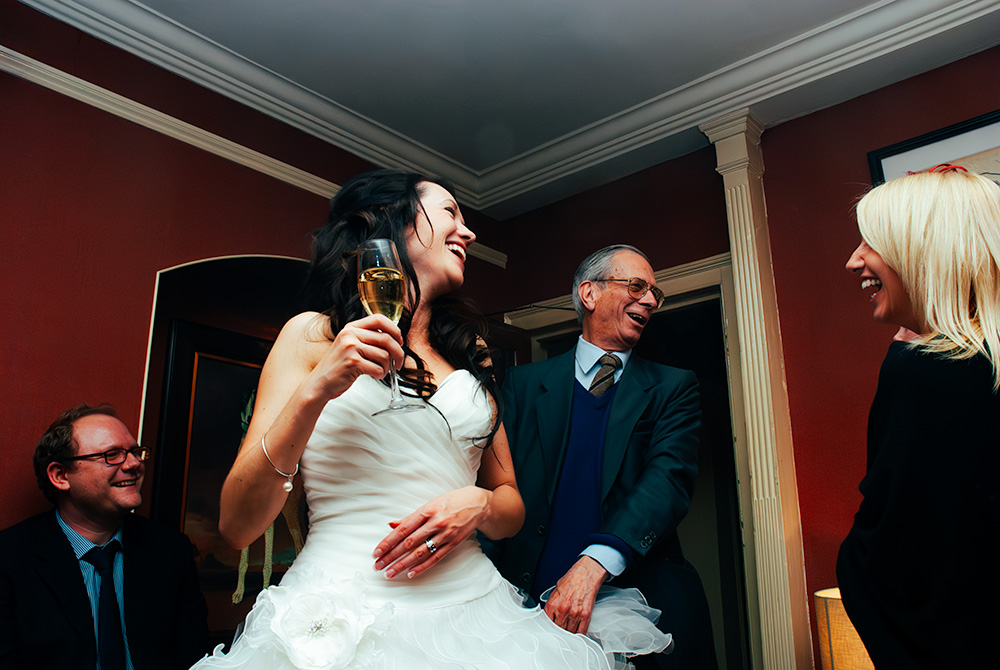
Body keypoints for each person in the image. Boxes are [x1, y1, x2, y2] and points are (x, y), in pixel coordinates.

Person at [191, 170, 667, 670]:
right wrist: (318, 389)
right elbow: (237, 526)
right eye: (449, 213)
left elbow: (510, 503)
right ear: (392, 222)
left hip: (476, 619)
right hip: (343, 615)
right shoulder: (310, 336)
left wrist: (479, 504)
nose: (469, 232)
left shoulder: (471, 352)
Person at [488, 245, 717, 669]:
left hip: (639, 607)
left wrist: (594, 564)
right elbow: (498, 483)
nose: (650, 301)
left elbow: (668, 480)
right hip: (526, 609)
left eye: (654, 293)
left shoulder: (674, 387)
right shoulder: (523, 385)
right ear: (589, 294)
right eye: (637, 286)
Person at [838, 165, 1000, 667]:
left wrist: (904, 358)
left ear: (924, 249)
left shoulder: (925, 374)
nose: (853, 261)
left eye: (871, 242)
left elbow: (892, 556)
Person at [0, 403, 211, 670]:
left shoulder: (170, 550)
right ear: (61, 476)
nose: (134, 464)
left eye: (135, 452)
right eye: (112, 455)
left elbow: (195, 659)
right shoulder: (10, 558)